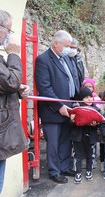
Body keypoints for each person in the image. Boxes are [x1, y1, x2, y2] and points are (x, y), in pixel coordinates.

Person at [0, 7, 30, 196]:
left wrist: (17, 90)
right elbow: (9, 81)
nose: (9, 35)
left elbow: (3, 85)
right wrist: (14, 54)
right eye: (8, 30)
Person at [35, 30, 80, 183]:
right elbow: (45, 87)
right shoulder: (43, 60)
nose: (69, 49)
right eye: (67, 45)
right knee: (53, 143)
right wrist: (59, 105)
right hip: (52, 110)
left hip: (68, 107)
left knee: (66, 140)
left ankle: (64, 167)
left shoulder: (64, 58)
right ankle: (54, 171)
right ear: (56, 44)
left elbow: (71, 79)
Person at [70, 88, 99, 184]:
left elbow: (100, 122)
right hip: (78, 136)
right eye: (86, 97)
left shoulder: (96, 109)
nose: (89, 99)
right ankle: (77, 172)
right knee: (77, 155)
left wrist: (96, 123)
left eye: (91, 96)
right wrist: (72, 120)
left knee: (90, 155)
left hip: (91, 136)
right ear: (81, 99)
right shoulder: (76, 109)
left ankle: (89, 171)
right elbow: (70, 123)